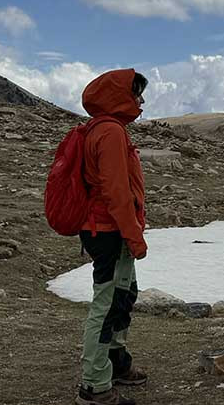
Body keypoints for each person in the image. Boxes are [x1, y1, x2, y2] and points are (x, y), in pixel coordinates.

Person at [76, 69, 149, 405]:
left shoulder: (105, 129)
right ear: (120, 97)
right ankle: (94, 387)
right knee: (106, 306)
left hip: (106, 229)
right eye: (136, 94)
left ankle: (116, 362)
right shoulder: (110, 133)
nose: (141, 101)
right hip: (109, 231)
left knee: (123, 294)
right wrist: (134, 238)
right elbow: (118, 194)